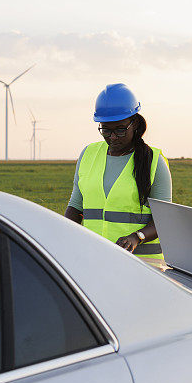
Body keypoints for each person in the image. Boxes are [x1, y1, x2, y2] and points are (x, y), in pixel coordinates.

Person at [64, 83, 171, 259]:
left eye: (120, 130)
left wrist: (137, 237)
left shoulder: (154, 161)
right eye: (105, 130)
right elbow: (76, 207)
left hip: (143, 265)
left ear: (134, 123)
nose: (112, 137)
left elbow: (165, 220)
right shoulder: (88, 154)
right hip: (95, 258)